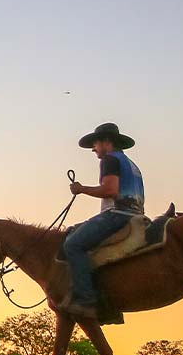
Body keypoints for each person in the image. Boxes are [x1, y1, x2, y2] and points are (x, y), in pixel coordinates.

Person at [60, 122, 146, 318]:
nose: (94, 149)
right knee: (75, 231)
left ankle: (86, 301)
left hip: (118, 214)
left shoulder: (109, 159)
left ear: (106, 142)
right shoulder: (131, 164)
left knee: (73, 244)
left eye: (96, 144)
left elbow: (110, 190)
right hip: (136, 213)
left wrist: (81, 190)